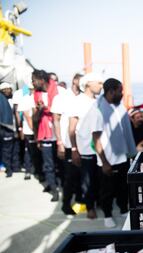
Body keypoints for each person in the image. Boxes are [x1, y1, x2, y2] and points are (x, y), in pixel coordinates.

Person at [89, 78, 136, 228]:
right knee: (107, 190)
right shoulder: (98, 110)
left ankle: (123, 208)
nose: (122, 94)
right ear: (111, 92)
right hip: (108, 158)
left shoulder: (119, 106)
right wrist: (104, 162)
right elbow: (96, 138)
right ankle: (107, 215)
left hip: (122, 155)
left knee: (123, 186)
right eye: (120, 91)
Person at [68, 72, 103, 219]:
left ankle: (99, 202)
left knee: (99, 179)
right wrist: (74, 149)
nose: (101, 86)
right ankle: (90, 206)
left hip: (100, 149)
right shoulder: (78, 101)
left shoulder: (99, 101)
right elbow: (71, 128)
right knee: (87, 181)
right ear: (88, 84)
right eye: (99, 83)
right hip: (85, 149)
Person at [51, 73, 83, 215]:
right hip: (68, 143)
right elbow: (56, 120)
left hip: (84, 144)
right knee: (70, 175)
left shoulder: (84, 98)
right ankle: (66, 204)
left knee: (82, 174)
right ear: (75, 80)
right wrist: (59, 143)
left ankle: (81, 201)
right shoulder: (61, 97)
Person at [32, 70, 60, 201]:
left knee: (60, 163)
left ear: (41, 80)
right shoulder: (36, 94)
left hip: (58, 131)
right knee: (48, 163)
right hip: (45, 133)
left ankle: (60, 184)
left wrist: (47, 108)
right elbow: (35, 118)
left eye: (34, 80)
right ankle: (54, 189)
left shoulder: (56, 90)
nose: (32, 83)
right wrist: (40, 110)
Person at [0, 82, 15, 178]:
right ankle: (8, 168)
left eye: (8, 89)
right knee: (6, 150)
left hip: (11, 128)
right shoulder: (2, 100)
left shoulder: (13, 100)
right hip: (5, 128)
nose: (6, 91)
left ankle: (13, 167)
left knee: (10, 150)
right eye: (4, 89)